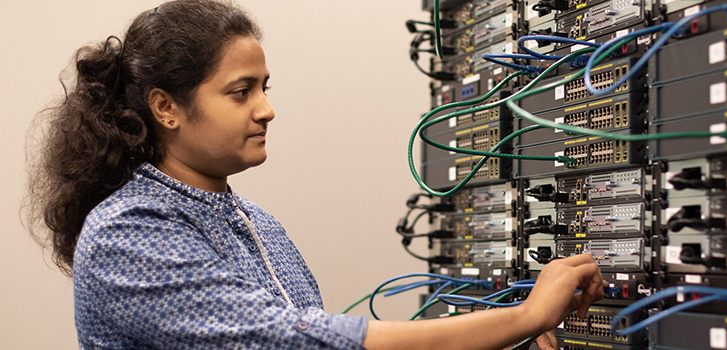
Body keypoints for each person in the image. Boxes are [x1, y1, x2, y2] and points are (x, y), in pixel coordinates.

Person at [25, 1, 606, 349]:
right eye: (241, 91)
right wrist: (523, 316)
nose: (266, 109)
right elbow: (302, 344)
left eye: (265, 87)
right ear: (166, 108)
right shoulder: (127, 233)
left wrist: (510, 335)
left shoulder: (258, 224)